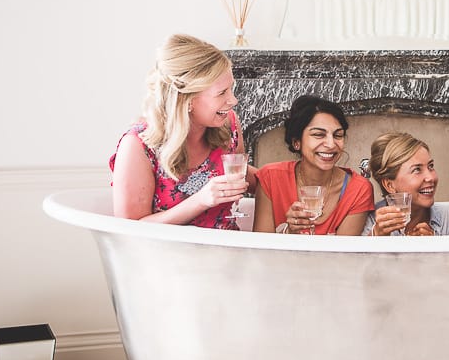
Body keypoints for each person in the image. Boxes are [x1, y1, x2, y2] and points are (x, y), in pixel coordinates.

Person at [110, 34, 254, 228]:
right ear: (186, 100)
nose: (233, 100)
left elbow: (244, 176)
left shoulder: (229, 125)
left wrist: (295, 180)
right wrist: (201, 200)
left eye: (231, 89)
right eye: (221, 93)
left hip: (227, 251)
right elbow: (129, 229)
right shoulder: (138, 145)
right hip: (166, 255)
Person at [252, 95, 374, 235]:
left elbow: (342, 254)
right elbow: (261, 249)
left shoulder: (358, 189)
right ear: (296, 142)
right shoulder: (270, 178)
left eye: (338, 135)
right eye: (318, 135)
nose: (331, 144)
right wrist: (289, 231)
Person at [361, 132, 449, 236]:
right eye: (417, 170)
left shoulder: (447, 220)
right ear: (389, 185)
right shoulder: (371, 222)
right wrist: (375, 238)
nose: (431, 177)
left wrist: (433, 247)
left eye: (431, 166)